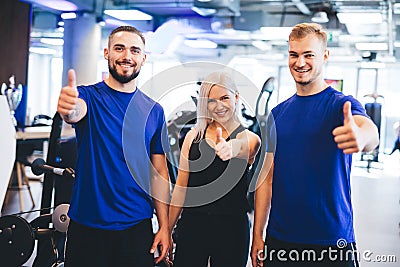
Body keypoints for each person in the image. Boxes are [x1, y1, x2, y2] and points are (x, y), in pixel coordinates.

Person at [251, 23, 379, 267]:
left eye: (309, 55)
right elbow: (266, 177)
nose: (300, 63)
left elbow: (369, 131)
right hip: (281, 240)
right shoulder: (277, 114)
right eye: (294, 54)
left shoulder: (341, 106)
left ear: (325, 56)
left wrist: (363, 139)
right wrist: (257, 235)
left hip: (331, 241)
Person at [57, 26, 171, 266]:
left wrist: (165, 226)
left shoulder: (154, 111)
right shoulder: (88, 96)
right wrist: (69, 108)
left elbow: (159, 173)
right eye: (119, 48)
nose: (126, 56)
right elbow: (75, 112)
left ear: (143, 58)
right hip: (88, 226)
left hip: (136, 227)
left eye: (134, 50)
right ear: (107, 53)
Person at [168, 71, 261, 267]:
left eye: (224, 98)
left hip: (232, 228)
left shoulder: (250, 138)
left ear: (236, 97)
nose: (219, 105)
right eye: (211, 100)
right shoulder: (194, 136)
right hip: (193, 224)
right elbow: (181, 188)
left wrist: (230, 148)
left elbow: (243, 146)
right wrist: (166, 230)